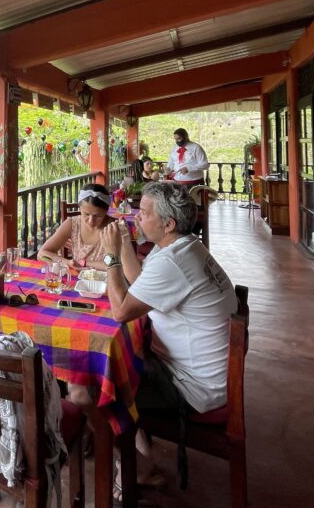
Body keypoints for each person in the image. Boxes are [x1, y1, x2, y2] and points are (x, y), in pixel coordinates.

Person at [99, 181, 237, 488]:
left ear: (168, 223)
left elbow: (120, 311)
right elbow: (140, 282)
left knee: (101, 385)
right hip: (202, 373)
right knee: (124, 362)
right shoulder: (183, 247)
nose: (137, 217)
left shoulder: (174, 261)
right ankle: (141, 455)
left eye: (144, 213)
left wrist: (111, 257)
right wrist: (123, 244)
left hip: (192, 388)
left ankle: (139, 466)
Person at [36, 183, 132, 270]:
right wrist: (68, 263)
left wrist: (84, 263)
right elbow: (42, 254)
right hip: (79, 282)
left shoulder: (115, 227)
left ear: (106, 211)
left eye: (97, 216)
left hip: (108, 283)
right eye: (86, 214)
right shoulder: (73, 223)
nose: (91, 221)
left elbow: (124, 266)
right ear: (80, 208)